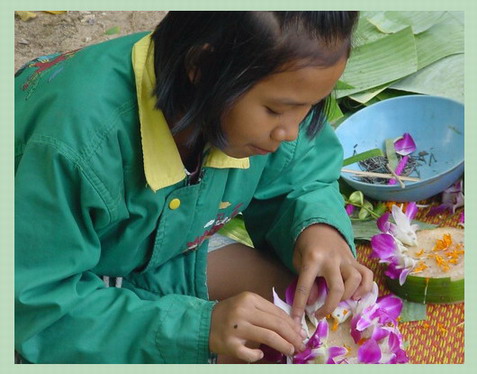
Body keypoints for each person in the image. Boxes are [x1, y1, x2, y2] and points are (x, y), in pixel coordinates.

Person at [14, 11, 373, 364]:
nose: (290, 131)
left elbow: (300, 172)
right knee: (236, 346)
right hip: (42, 268)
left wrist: (317, 228)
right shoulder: (75, 148)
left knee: (297, 306)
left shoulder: (249, 90)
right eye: (276, 110)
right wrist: (198, 329)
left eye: (309, 108)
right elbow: (33, 307)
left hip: (157, 244)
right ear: (201, 67)